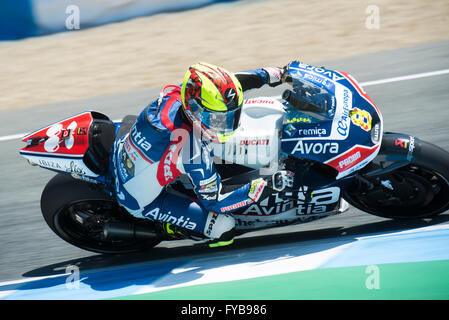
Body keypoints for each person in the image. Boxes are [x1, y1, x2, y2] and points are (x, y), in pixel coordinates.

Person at [112, 62, 293, 247]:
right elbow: (216, 201)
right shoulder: (190, 149)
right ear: (195, 110)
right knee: (224, 227)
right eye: (218, 118)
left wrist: (271, 74)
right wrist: (264, 185)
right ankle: (171, 227)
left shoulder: (179, 95)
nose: (226, 125)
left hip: (128, 149)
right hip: (139, 199)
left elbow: (228, 89)